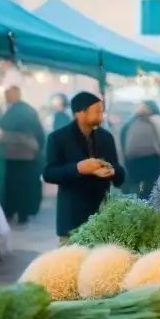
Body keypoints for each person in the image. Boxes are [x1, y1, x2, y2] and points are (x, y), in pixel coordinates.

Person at [43, 92, 125, 242]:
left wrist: (112, 171)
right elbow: (49, 173)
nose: (101, 116)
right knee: (71, 264)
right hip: (72, 218)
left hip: (102, 217)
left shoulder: (106, 137)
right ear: (80, 113)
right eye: (97, 112)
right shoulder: (58, 138)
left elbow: (120, 173)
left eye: (102, 112)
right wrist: (78, 168)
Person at [0, 87, 45, 225]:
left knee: (12, 185)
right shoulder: (28, 110)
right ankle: (23, 213)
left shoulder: (15, 111)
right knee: (24, 185)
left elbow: (3, 124)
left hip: (13, 154)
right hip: (27, 154)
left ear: (14, 95)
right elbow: (39, 132)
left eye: (7, 95)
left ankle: (11, 212)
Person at [120, 101, 160, 198]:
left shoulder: (130, 123)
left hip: (134, 162)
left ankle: (138, 202)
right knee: (152, 188)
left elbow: (123, 141)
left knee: (136, 190)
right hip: (152, 161)